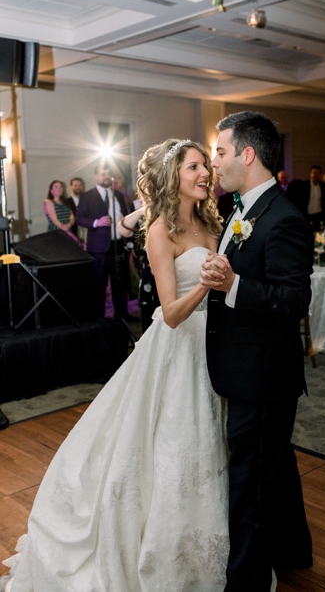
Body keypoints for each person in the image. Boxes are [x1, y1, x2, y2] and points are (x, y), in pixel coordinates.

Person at [1, 139, 230, 591]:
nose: (205, 173)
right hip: (178, 350)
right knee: (174, 445)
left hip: (214, 346)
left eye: (205, 165)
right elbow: (169, 313)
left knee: (212, 442)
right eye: (194, 166)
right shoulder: (160, 229)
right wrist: (207, 285)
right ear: (172, 177)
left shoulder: (209, 221)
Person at [200, 111, 314, 590]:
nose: (214, 162)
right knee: (275, 463)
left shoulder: (284, 218)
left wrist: (234, 285)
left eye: (220, 151)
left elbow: (293, 301)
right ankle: (294, 548)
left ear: (247, 154)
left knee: (250, 483)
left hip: (263, 374)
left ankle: (244, 583)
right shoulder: (240, 210)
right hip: (244, 366)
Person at [75, 164, 136, 321]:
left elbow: (125, 215)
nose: (106, 176)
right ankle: (99, 318)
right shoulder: (87, 196)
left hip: (119, 246)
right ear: (96, 176)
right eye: (103, 174)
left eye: (108, 173)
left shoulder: (119, 195)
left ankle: (121, 315)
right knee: (99, 284)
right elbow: (79, 218)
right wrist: (96, 222)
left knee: (120, 283)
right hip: (99, 248)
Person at [291, 165, 325, 231]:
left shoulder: (323, 185)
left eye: (317, 173)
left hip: (318, 213)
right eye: (314, 173)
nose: (315, 175)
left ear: (320, 174)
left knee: (317, 231)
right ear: (310, 174)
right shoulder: (304, 185)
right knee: (306, 231)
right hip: (307, 213)